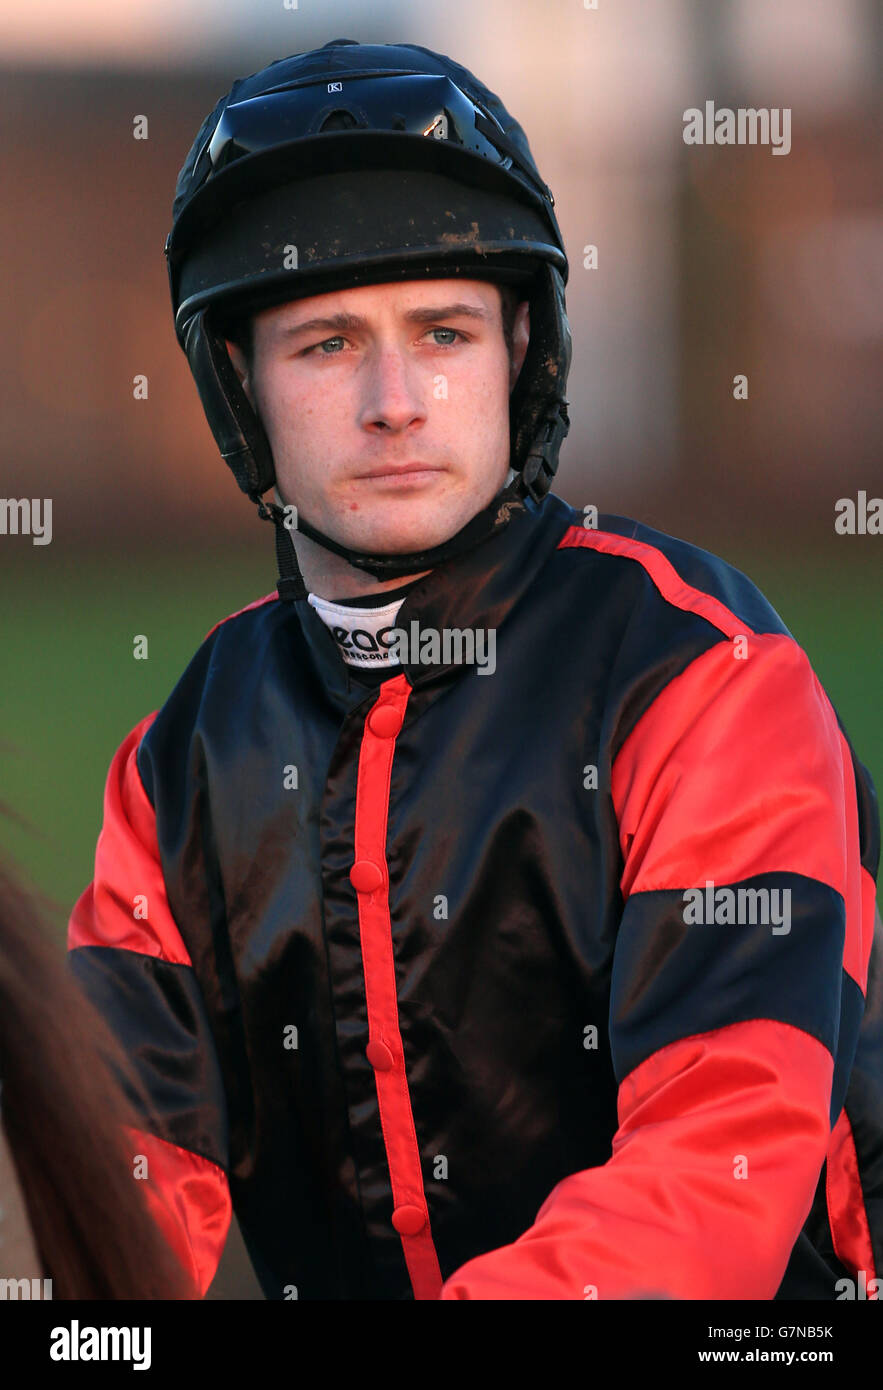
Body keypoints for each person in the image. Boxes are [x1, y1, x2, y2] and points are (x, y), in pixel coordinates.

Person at [67, 38, 881, 1301]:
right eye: (327, 344)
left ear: (521, 350)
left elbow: (717, 1172)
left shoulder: (705, 674)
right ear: (241, 385)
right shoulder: (180, 762)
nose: (395, 400)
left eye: (441, 330)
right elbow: (107, 1200)